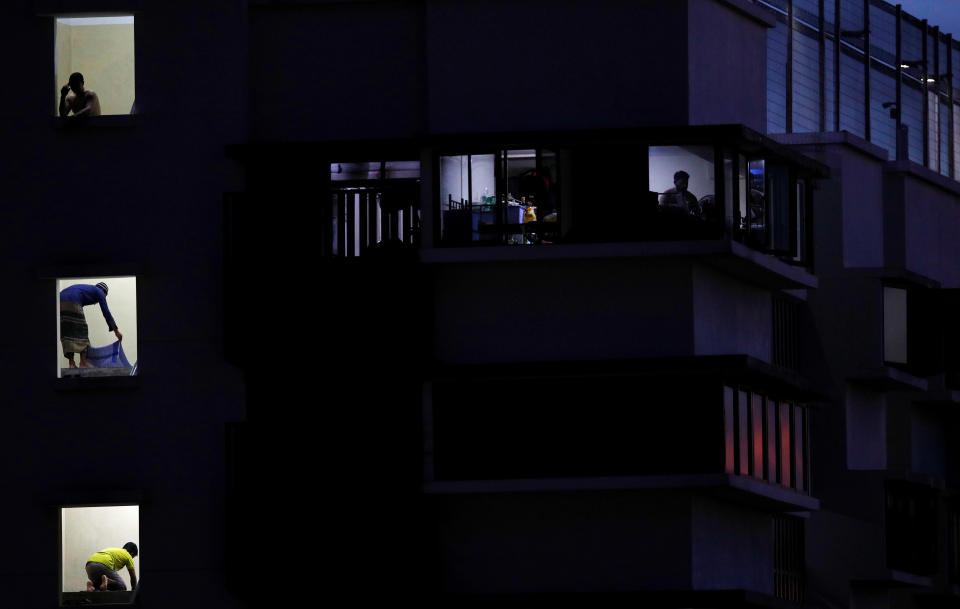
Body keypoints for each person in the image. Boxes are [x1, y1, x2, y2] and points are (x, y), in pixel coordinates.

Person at [60, 282, 122, 369]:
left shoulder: (87, 289)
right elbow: (106, 312)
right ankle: (83, 363)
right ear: (103, 292)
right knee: (82, 331)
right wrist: (116, 331)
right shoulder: (99, 292)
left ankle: (71, 363)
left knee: (68, 332)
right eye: (104, 296)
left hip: (59, 301)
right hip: (73, 301)